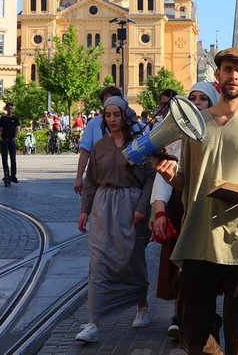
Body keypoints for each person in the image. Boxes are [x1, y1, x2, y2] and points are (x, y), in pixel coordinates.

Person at [154, 47, 238, 354]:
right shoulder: (195, 124)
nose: (233, 75)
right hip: (199, 237)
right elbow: (187, 181)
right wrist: (167, 174)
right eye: (228, 69)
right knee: (191, 334)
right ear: (217, 76)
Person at [75, 96, 156, 343]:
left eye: (116, 115)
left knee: (132, 260)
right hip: (103, 205)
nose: (112, 119)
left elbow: (151, 179)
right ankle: (94, 321)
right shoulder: (100, 146)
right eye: (108, 115)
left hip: (131, 208)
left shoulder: (139, 145)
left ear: (125, 116)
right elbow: (91, 182)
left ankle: (141, 306)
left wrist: (143, 207)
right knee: (98, 262)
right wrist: (84, 209)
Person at [150, 81, 220, 342]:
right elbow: (163, 177)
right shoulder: (177, 134)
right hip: (181, 207)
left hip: (210, 207)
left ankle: (207, 317)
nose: (198, 102)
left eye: (204, 99)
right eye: (194, 98)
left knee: (209, 266)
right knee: (181, 263)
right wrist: (159, 211)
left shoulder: (219, 132)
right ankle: (179, 317)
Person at [0, 103, 21, 187]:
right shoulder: (3, 119)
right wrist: (0, 137)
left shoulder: (15, 119)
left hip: (11, 140)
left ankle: (13, 176)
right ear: (6, 109)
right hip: (4, 140)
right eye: (8, 108)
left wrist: (15, 137)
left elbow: (17, 128)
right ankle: (6, 175)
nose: (10, 110)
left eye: (11, 108)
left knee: (13, 159)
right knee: (4, 159)